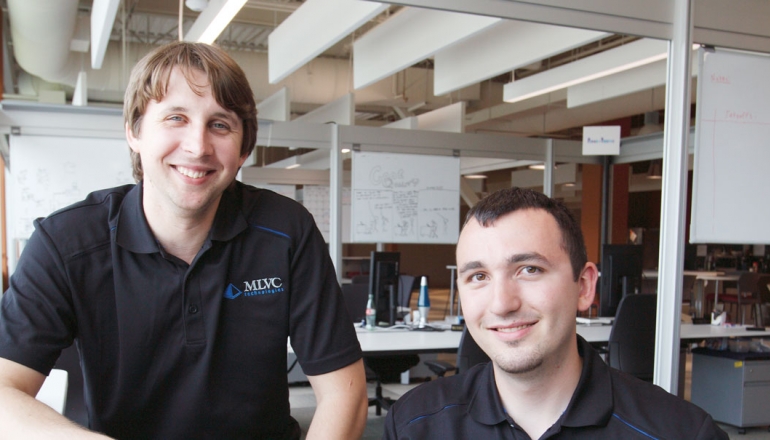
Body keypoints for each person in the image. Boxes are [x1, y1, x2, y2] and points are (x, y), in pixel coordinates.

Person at [0, 41, 368, 439]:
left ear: (243, 149)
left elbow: (343, 395)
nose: (198, 146)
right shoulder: (65, 243)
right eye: (176, 118)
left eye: (220, 124)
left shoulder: (286, 231)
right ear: (134, 132)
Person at [384, 187, 728, 439]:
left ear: (584, 286)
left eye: (529, 269)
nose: (502, 303)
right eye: (478, 277)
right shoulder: (414, 426)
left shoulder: (680, 433)